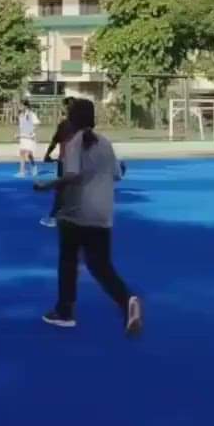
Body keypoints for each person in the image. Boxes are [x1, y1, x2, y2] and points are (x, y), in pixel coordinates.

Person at [34, 99, 142, 336]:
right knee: (101, 266)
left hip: (76, 212)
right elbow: (117, 174)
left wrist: (46, 185)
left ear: (72, 119)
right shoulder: (105, 143)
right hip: (103, 212)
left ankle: (65, 311)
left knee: (68, 262)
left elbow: (71, 176)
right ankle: (127, 299)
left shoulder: (74, 144)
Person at [40, 97, 75, 228]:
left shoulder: (64, 125)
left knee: (61, 190)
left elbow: (55, 141)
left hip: (65, 161)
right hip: (78, 161)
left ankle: (54, 217)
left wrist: (47, 154)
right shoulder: (83, 126)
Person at [16, 99, 40, 178]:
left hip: (30, 137)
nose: (19, 107)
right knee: (22, 153)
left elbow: (36, 124)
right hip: (23, 137)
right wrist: (19, 134)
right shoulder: (20, 115)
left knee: (29, 154)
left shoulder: (31, 114)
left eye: (21, 105)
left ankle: (34, 167)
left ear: (25, 106)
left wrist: (32, 132)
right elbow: (21, 126)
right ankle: (22, 172)